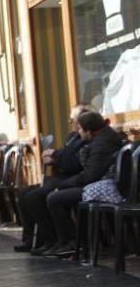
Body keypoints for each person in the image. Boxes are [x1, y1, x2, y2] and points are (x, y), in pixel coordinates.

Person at [41, 109, 122, 258]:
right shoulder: (100, 138)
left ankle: (71, 242)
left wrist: (64, 185)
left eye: (80, 129)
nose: (78, 132)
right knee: (53, 194)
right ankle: (67, 241)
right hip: (97, 183)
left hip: (104, 187)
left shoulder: (101, 144)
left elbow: (90, 176)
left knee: (54, 198)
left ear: (89, 131)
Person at [14, 105, 86, 253]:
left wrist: (54, 156)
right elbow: (62, 153)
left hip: (69, 178)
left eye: (72, 119)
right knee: (24, 193)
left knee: (35, 197)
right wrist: (53, 155)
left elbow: (72, 162)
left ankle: (51, 239)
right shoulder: (72, 136)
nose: (70, 122)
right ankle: (31, 239)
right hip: (57, 176)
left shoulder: (86, 138)